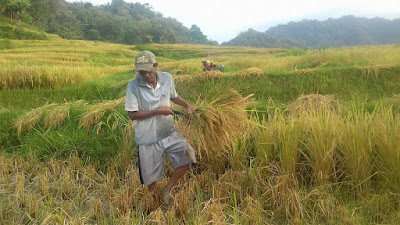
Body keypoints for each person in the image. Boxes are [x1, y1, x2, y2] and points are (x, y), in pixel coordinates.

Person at [125, 51, 196, 207]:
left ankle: (167, 189)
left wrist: (187, 105)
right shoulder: (133, 86)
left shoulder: (167, 78)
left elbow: (173, 96)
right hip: (147, 137)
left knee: (189, 156)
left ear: (155, 66)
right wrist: (158, 111)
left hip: (168, 131)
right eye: (141, 72)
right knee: (151, 177)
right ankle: (154, 202)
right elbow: (132, 114)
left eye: (148, 71)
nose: (145, 75)